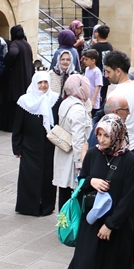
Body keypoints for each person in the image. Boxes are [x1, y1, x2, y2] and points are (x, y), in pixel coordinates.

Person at [46, 114, 134, 269]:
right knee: (84, 264)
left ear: (117, 135)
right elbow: (81, 183)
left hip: (116, 224)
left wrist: (111, 225)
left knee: (112, 266)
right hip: (92, 219)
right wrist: (91, 181)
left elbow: (128, 199)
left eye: (106, 135)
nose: (101, 139)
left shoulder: (129, 160)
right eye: (99, 134)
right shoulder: (93, 154)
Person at [104, 50, 134, 217]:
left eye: (108, 71)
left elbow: (109, 126)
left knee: (119, 194)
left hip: (121, 149)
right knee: (132, 189)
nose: (106, 76)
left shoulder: (116, 94)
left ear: (118, 71)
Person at [13, 74, 59, 216]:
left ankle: (46, 206)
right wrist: (17, 147)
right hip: (29, 147)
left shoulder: (55, 99)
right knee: (29, 177)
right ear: (34, 83)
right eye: (40, 83)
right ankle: (28, 207)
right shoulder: (24, 101)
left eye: (45, 82)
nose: (43, 85)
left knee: (48, 177)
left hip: (49, 147)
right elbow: (18, 126)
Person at [53, 73, 93, 209]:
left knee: (64, 192)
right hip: (73, 157)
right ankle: (70, 220)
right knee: (73, 193)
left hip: (64, 152)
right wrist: (80, 164)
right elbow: (78, 139)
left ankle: (64, 219)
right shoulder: (78, 109)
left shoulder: (66, 102)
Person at [1, 24, 35, 133]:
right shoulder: (26, 44)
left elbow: (13, 53)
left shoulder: (15, 44)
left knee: (14, 103)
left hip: (16, 79)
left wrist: (7, 62)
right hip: (26, 78)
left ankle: (13, 127)